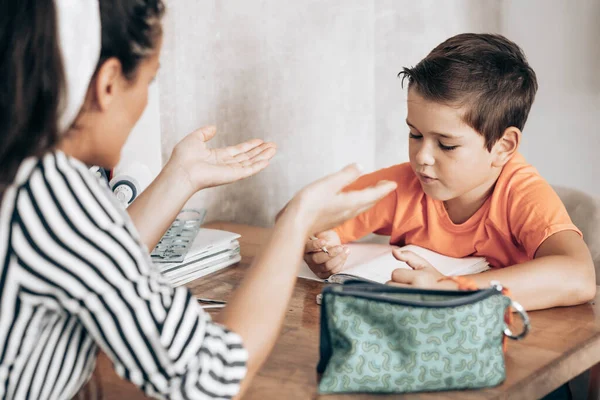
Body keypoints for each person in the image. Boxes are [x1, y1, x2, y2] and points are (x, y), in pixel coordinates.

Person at [0, 0, 397, 399]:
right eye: (149, 80)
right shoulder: (53, 195)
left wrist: (182, 177)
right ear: (108, 83)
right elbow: (213, 376)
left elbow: (92, 263)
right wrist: (295, 223)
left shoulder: (30, 180)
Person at [303, 33, 596, 311]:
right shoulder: (403, 185)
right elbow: (300, 219)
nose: (422, 157)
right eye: (415, 135)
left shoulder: (521, 195)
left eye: (446, 145)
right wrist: (319, 248)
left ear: (504, 146)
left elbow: (579, 278)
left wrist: (448, 289)